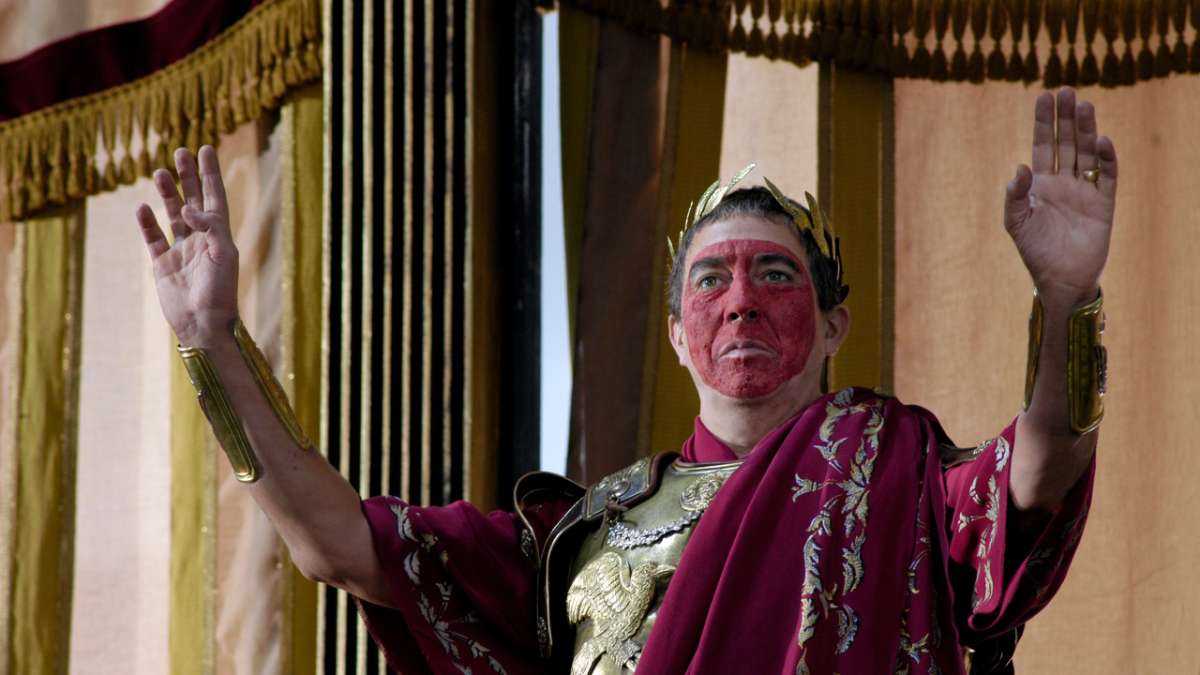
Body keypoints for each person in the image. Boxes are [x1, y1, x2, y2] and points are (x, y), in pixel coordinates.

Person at [136, 86, 1116, 674]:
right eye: (711, 280)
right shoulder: (579, 535)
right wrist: (214, 348)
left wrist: (1069, 301)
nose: (741, 301)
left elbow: (1041, 471)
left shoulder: (899, 471)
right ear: (680, 336)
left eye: (776, 275)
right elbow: (334, 544)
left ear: (833, 325)